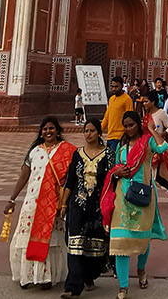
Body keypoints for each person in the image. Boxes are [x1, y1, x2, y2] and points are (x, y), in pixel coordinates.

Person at [103, 111, 168, 299]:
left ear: (138, 124)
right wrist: (118, 172)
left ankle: (141, 270)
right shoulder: (122, 145)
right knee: (120, 241)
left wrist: (151, 129)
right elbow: (115, 166)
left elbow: (163, 147)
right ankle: (123, 287)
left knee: (143, 239)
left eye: (131, 125)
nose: (128, 129)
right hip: (123, 195)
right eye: (125, 125)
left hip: (143, 195)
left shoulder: (147, 142)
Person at [5, 117, 73, 289]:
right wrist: (12, 199)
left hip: (52, 204)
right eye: (45, 129)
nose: (48, 132)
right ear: (41, 132)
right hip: (32, 203)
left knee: (50, 241)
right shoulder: (35, 151)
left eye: (51, 128)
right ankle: (27, 276)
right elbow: (23, 176)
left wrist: (65, 203)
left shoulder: (67, 151)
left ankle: (46, 277)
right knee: (27, 238)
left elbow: (71, 180)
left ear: (58, 131)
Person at [62, 120, 112, 297]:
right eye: (86, 131)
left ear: (99, 133)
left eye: (92, 131)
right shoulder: (77, 154)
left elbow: (112, 180)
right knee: (74, 243)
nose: (88, 134)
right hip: (77, 204)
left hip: (98, 208)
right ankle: (72, 287)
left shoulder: (108, 154)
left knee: (96, 247)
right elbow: (70, 181)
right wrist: (63, 204)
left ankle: (89, 276)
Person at [101, 77, 133, 141]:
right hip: (110, 136)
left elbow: (130, 118)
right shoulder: (111, 99)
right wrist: (99, 129)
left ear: (122, 86)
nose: (114, 89)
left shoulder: (127, 99)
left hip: (120, 136)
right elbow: (106, 117)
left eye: (116, 87)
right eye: (112, 87)